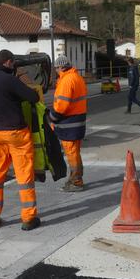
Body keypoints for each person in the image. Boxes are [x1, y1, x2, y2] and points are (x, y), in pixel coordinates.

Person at [0, 49, 41, 231]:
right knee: (24, 177)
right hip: (16, 134)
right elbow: (33, 97)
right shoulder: (9, 80)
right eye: (13, 64)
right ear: (8, 62)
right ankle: (29, 218)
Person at [49, 55, 88, 192]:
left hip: (68, 123)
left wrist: (52, 117)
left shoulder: (66, 80)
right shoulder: (77, 78)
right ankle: (77, 178)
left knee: (71, 153)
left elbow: (61, 106)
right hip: (77, 121)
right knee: (75, 152)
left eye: (56, 68)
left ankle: (76, 182)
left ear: (60, 67)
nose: (56, 71)